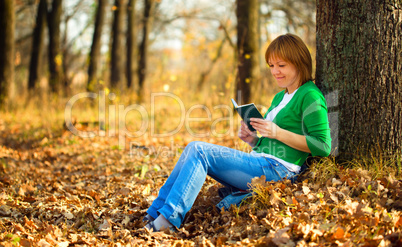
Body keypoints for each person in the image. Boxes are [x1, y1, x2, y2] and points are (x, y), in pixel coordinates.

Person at [143, 33, 331, 232]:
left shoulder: (309, 95)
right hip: (262, 163)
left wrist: (276, 132)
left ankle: (168, 221)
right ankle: (154, 213)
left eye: (281, 65)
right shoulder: (280, 96)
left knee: (199, 150)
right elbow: (273, 144)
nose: (275, 71)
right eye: (271, 66)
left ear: (298, 62)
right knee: (192, 148)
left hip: (278, 171)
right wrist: (253, 141)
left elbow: (323, 146)